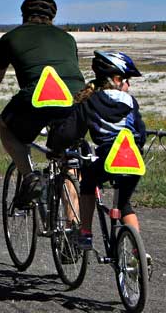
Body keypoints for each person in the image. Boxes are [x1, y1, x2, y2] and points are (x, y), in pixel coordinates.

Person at [0, 0, 85, 207]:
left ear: (24, 15)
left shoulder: (10, 38)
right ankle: (73, 228)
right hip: (77, 102)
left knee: (6, 125)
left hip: (35, 98)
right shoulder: (68, 39)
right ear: (53, 16)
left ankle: (29, 177)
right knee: (68, 160)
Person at [48, 51, 146, 253]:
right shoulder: (131, 102)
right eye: (127, 80)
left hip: (108, 160)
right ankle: (139, 253)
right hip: (133, 162)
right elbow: (141, 134)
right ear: (117, 79)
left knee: (88, 183)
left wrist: (56, 148)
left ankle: (85, 233)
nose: (129, 85)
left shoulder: (90, 102)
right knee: (125, 203)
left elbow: (69, 132)